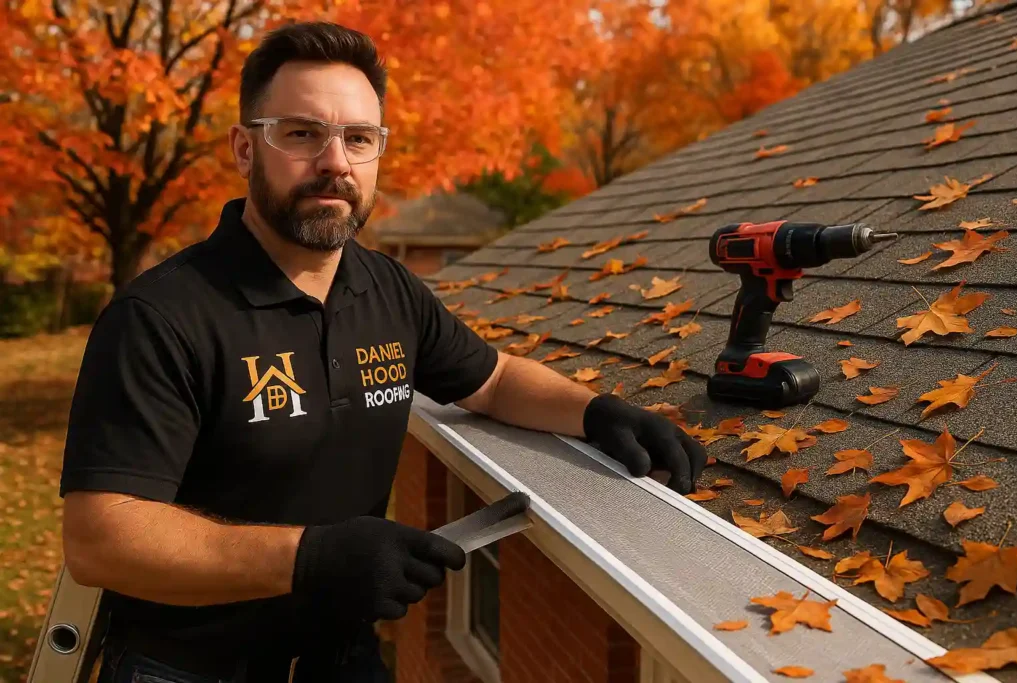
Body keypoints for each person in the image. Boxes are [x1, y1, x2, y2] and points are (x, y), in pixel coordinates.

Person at [58, 20, 707, 683]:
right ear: (245, 149)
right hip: (190, 669)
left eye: (358, 138)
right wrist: (309, 558)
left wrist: (596, 412)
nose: (335, 162)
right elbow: (101, 537)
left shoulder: (387, 289)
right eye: (302, 133)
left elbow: (494, 380)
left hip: (344, 662)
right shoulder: (163, 317)